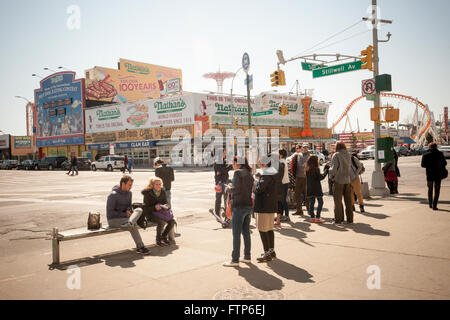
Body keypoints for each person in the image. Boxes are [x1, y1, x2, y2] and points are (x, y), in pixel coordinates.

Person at [223, 156, 254, 267]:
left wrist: (228, 188)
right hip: (248, 205)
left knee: (236, 234)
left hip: (239, 206)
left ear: (237, 163)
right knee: (246, 232)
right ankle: (247, 256)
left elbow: (236, 190)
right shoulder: (249, 173)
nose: (232, 164)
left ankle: (235, 259)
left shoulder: (237, 173)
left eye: (233, 162)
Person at [106, 175, 149, 254]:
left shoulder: (129, 193)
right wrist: (124, 214)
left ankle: (129, 223)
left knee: (139, 209)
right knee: (133, 224)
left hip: (126, 219)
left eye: (131, 185)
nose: (131, 187)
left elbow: (128, 206)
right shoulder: (113, 195)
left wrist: (129, 211)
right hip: (113, 220)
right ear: (123, 184)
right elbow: (110, 213)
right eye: (129, 185)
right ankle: (140, 247)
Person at [254, 155, 278, 263]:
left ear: (264, 164)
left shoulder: (266, 174)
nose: (260, 166)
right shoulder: (273, 172)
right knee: (269, 228)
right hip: (270, 204)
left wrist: (255, 185)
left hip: (264, 205)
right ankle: (271, 251)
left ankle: (267, 253)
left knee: (262, 229)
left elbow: (260, 189)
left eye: (260, 164)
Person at [142, 177, 176, 246]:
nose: (158, 186)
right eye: (156, 184)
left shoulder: (162, 192)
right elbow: (145, 209)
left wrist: (166, 206)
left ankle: (164, 236)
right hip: (150, 214)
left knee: (172, 221)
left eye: (160, 184)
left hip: (161, 213)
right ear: (152, 185)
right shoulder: (147, 194)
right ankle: (158, 239)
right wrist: (154, 207)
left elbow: (166, 203)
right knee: (161, 222)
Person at [329, 142, 353, 225]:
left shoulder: (336, 155)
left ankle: (338, 219)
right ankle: (350, 219)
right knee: (348, 201)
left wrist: (331, 176)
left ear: (337, 147)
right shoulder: (348, 154)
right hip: (347, 180)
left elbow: (333, 168)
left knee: (338, 201)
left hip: (338, 180)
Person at [421, 142, 447, 210]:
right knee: (437, 190)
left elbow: (422, 165)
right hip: (438, 174)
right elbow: (445, 163)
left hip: (429, 174)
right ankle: (435, 205)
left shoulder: (426, 154)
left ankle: (430, 204)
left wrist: (429, 165)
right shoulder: (440, 154)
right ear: (436, 147)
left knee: (430, 189)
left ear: (429, 147)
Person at [305, 155, 329, 223]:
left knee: (312, 202)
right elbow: (321, 177)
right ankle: (318, 217)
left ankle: (312, 217)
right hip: (317, 188)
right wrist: (326, 170)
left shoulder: (307, 168)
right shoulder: (316, 169)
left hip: (310, 187)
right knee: (320, 202)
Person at [291, 144, 310, 215]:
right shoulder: (298, 155)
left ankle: (309, 209)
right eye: (304, 147)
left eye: (306, 147)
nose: (305, 149)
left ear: (308, 148)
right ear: (301, 148)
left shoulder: (310, 156)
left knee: (307, 194)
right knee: (297, 194)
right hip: (298, 177)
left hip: (306, 178)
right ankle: (299, 210)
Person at [213, 150, 233, 218]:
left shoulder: (224, 161)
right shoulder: (217, 162)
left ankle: (226, 213)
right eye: (224, 153)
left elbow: (230, 167)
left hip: (226, 182)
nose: (225, 154)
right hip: (219, 183)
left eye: (225, 153)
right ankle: (217, 213)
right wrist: (226, 168)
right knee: (218, 199)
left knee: (226, 199)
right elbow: (222, 170)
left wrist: (225, 169)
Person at [274, 152, 286, 228]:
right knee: (279, 203)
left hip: (274, 187)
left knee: (273, 204)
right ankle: (278, 221)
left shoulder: (274, 166)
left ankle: (276, 221)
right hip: (280, 186)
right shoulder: (281, 165)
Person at [279, 149, 291, 222]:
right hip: (285, 182)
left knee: (283, 200)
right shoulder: (283, 161)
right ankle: (281, 215)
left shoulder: (282, 162)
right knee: (282, 200)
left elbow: (281, 173)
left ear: (281, 155)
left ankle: (286, 216)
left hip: (283, 183)